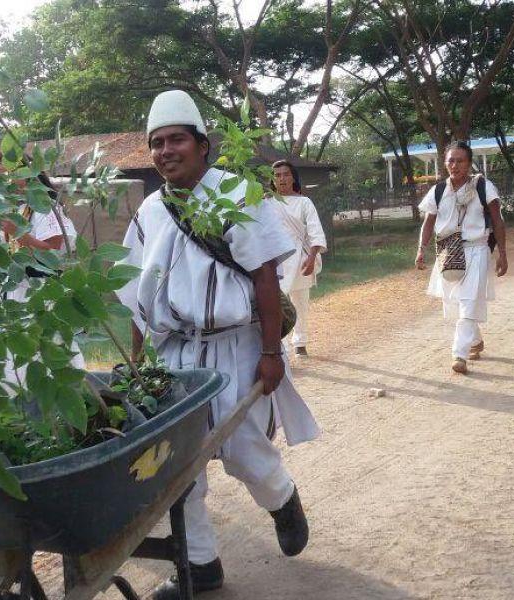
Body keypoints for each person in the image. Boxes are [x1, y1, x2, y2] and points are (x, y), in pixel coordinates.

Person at [116, 90, 317, 599]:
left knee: (245, 452)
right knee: (176, 466)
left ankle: (282, 497)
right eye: (157, 143)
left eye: (176, 139)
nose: (166, 150)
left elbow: (266, 279)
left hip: (237, 348)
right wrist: (139, 363)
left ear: (202, 145)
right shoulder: (150, 214)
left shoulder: (238, 195)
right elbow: (139, 292)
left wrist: (271, 354)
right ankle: (200, 566)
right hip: (174, 354)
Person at [415, 141, 508, 374]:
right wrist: (420, 249)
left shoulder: (483, 187)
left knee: (468, 300)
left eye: (460, 160)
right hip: (447, 251)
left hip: (476, 250)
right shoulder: (438, 191)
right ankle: (475, 341)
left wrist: (503, 253)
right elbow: (429, 222)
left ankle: (459, 354)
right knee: (455, 303)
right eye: (450, 160)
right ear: (445, 163)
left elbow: (497, 220)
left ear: (469, 163)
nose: (455, 165)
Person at [0, 161, 86, 378]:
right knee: (13, 351)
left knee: (49, 347)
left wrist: (18, 233)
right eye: (0, 176)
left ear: (29, 174)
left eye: (10, 174)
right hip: (14, 290)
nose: (4, 181)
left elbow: (53, 253)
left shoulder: (46, 208)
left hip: (40, 290)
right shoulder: (14, 208)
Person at [270, 160, 327, 357]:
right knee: (277, 306)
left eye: (285, 174)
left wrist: (311, 258)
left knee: (301, 303)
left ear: (293, 177)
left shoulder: (304, 202)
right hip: (276, 261)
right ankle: (281, 346)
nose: (282, 179)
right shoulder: (266, 202)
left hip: (301, 259)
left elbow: (315, 231)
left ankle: (300, 342)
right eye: (277, 175)